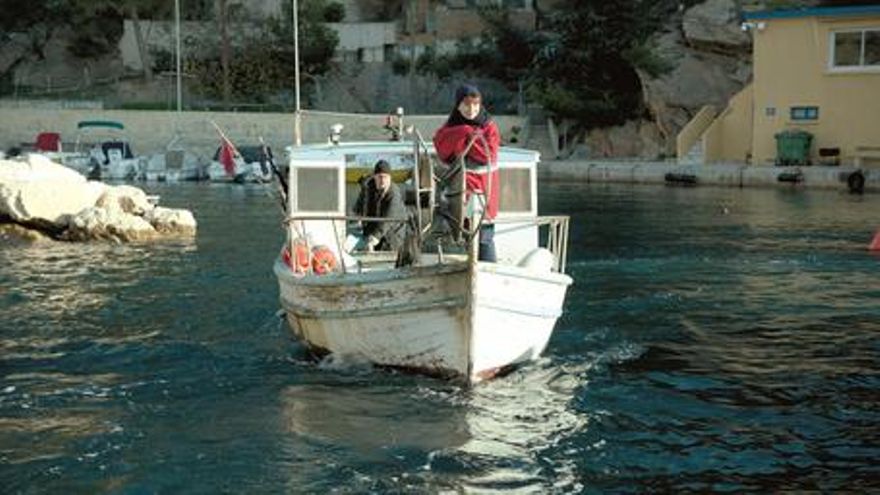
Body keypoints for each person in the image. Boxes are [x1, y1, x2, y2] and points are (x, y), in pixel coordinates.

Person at [432, 83, 501, 262]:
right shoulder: (450, 127)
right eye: (467, 105)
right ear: (458, 105)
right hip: (459, 190)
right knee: (458, 228)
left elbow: (488, 154)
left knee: (484, 234)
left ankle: (488, 269)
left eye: (475, 105)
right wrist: (465, 131)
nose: (471, 109)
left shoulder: (489, 127)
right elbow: (441, 148)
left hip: (484, 189)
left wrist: (466, 136)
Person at [352, 159, 406, 251]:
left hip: (392, 235)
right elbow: (359, 206)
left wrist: (375, 237)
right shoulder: (368, 189)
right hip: (372, 232)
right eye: (380, 177)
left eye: (385, 177)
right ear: (374, 177)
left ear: (390, 178)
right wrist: (356, 217)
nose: (383, 180)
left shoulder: (394, 193)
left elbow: (389, 218)